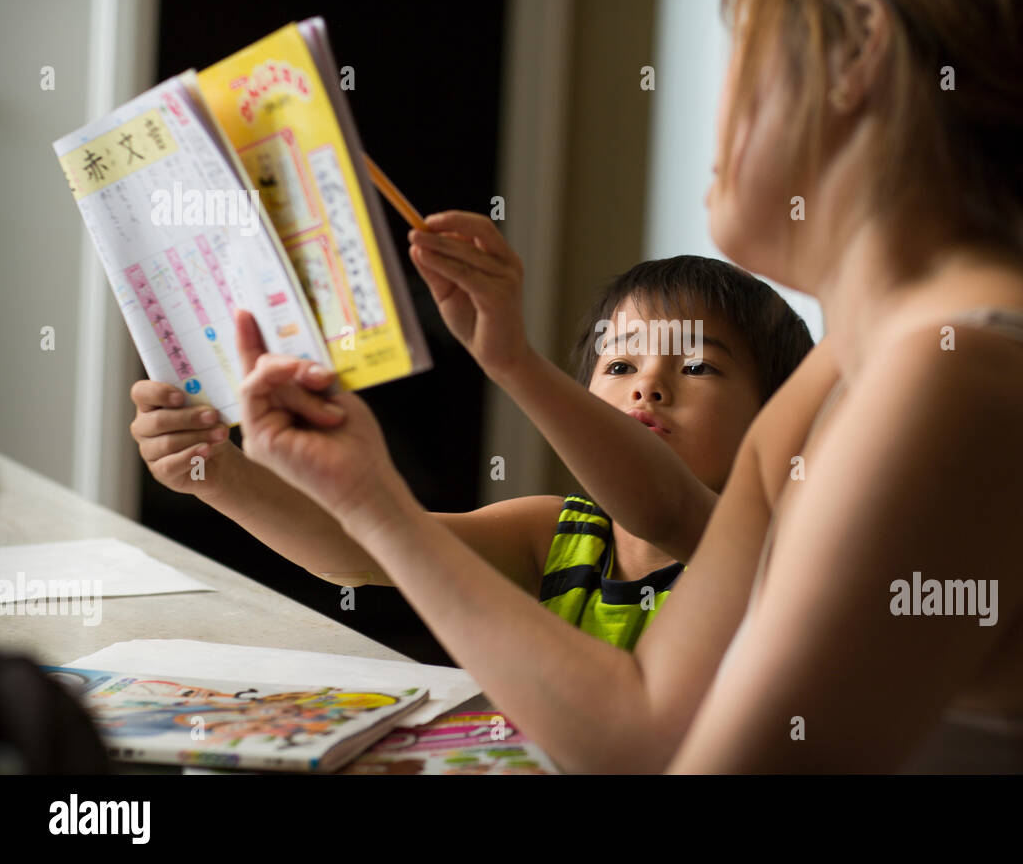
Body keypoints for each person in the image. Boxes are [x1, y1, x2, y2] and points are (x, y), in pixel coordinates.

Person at [233, 0, 1023, 772]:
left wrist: (382, 507)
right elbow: (650, 723)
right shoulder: (864, 366)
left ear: (857, 52)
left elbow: (661, 754)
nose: (714, 118)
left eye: (738, 57)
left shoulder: (955, 384)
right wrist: (369, 495)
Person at [129, 246, 812, 650]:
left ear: (776, 416)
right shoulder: (555, 537)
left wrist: (513, 361)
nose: (648, 390)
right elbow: (363, 552)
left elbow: (667, 509)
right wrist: (216, 472)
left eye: (696, 368)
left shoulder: (770, 552)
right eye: (620, 366)